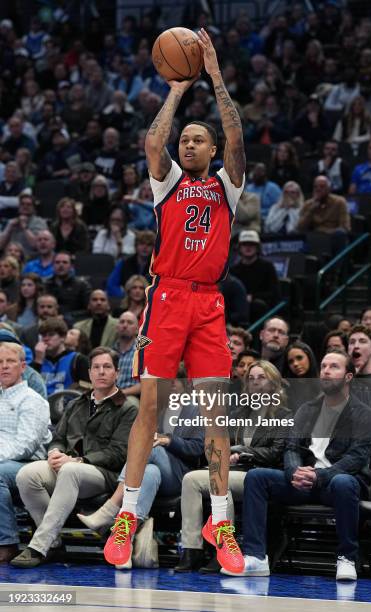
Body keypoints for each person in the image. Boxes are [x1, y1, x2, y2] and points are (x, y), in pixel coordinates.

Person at [103, 29, 246, 574]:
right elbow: (150, 144)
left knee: (216, 413)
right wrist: (177, 89)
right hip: (165, 298)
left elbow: (236, 138)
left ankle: (221, 520)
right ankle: (129, 514)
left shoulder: (227, 186)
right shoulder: (166, 186)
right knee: (151, 404)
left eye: (196, 140)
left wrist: (213, 75)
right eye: (183, 139)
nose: (187, 144)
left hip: (209, 304)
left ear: (211, 151)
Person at [228, 349, 371, 580]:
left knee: (345, 481)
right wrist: (294, 472)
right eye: (324, 366)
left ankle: (347, 557)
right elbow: (292, 449)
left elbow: (356, 458)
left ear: (348, 376)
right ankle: (256, 557)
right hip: (302, 482)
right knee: (257, 477)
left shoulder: (364, 414)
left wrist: (320, 476)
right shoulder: (307, 410)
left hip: (334, 484)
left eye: (334, 367)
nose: (326, 371)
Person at [11, 347, 136, 568]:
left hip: (102, 474)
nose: (101, 372)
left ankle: (39, 546)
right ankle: (54, 542)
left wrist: (79, 461)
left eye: (107, 367)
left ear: (116, 372)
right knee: (26, 474)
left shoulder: (127, 408)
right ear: (89, 373)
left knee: (70, 471)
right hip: (68, 467)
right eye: (96, 367)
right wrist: (55, 453)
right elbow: (58, 437)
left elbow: (118, 454)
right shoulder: (77, 404)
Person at [175, 360, 290, 572]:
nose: (255, 382)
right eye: (251, 378)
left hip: (261, 474)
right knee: (191, 479)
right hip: (236, 471)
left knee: (221, 482)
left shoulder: (284, 415)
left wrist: (243, 453)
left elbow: (276, 452)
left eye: (261, 377)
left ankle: (223, 548)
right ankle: (192, 549)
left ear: (274, 384)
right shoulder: (239, 413)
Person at [77, 370, 205, 559]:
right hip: (155, 472)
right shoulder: (158, 408)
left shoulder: (196, 409)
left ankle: (110, 508)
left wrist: (168, 440)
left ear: (186, 384)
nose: (169, 385)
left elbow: (198, 449)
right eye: (165, 381)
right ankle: (125, 541)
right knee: (149, 470)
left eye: (174, 381)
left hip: (180, 474)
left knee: (148, 448)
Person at [0, 341, 51, 563]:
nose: (4, 366)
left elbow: (25, 445)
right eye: (0, 362)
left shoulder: (32, 400)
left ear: (22, 367)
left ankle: (7, 542)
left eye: (10, 361)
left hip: (29, 464)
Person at [231, 230, 280, 322]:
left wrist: (253, 297)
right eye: (245, 244)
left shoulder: (267, 267)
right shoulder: (233, 270)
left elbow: (274, 293)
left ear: (257, 247)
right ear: (239, 247)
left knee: (257, 306)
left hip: (260, 309)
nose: (248, 247)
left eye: (252, 244)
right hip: (238, 308)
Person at [33, 317, 89, 396]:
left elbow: (88, 389)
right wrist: (38, 361)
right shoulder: (38, 360)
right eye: (43, 335)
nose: (46, 339)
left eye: (51, 335)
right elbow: (31, 388)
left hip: (69, 405)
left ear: (63, 337)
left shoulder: (78, 360)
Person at [45, 252, 91, 320]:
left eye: (65, 262)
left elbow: (89, 309)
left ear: (71, 266)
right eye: (57, 262)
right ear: (52, 265)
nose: (61, 265)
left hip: (74, 323)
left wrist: (66, 317)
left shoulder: (82, 285)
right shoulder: (46, 284)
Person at [0, 192, 47, 258]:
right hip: (10, 260)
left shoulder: (39, 222)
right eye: (22, 204)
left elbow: (36, 245)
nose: (25, 206)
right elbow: (1, 246)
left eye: (28, 204)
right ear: (19, 207)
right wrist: (9, 227)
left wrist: (25, 227)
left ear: (34, 208)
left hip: (30, 259)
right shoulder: (12, 222)